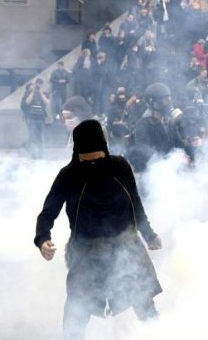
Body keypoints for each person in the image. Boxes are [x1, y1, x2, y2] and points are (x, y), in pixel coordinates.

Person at [34, 119, 162, 340]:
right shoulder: (70, 174)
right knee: (76, 309)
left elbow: (135, 203)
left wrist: (149, 234)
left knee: (144, 302)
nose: (93, 164)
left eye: (98, 157)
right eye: (87, 159)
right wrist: (43, 238)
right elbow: (48, 210)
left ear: (104, 149)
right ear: (78, 154)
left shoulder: (120, 167)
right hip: (86, 250)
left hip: (126, 246)